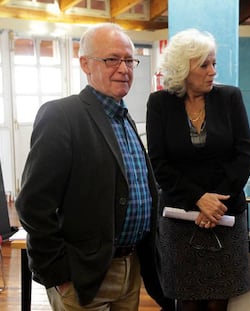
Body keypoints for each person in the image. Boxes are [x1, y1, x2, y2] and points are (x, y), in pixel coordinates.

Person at [15, 23, 174, 311]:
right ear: (85, 64)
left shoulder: (124, 118)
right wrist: (59, 273)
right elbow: (32, 205)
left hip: (131, 267)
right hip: (83, 274)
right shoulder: (62, 116)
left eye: (129, 60)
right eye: (112, 59)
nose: (124, 69)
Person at [146, 28, 250, 311]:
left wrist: (214, 203)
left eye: (214, 63)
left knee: (219, 302)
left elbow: (245, 155)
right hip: (180, 216)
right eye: (204, 65)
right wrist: (198, 199)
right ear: (183, 69)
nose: (212, 71)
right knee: (186, 302)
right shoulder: (159, 103)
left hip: (226, 214)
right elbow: (159, 163)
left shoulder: (231, 97)